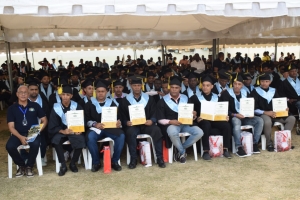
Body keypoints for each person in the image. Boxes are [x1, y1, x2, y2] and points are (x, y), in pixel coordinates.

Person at [119, 75, 166, 169]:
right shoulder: (125, 100)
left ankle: (159, 158)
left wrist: (152, 120)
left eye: (138, 85)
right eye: (134, 85)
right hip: (133, 125)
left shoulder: (149, 98)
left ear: (141, 86)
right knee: (130, 132)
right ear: (131, 86)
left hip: (146, 125)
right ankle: (133, 159)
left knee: (156, 130)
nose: (136, 87)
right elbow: (122, 115)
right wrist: (126, 122)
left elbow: (154, 112)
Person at [156, 76, 203, 163]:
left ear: (180, 88)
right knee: (172, 132)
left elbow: (191, 115)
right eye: (172, 87)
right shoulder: (162, 101)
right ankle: (182, 152)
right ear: (170, 88)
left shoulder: (185, 98)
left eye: (176, 88)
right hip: (172, 125)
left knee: (199, 132)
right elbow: (159, 119)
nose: (174, 90)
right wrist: (170, 121)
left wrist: (194, 115)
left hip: (185, 124)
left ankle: (180, 149)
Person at [6, 85, 48, 177]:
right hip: (18, 133)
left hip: (32, 132)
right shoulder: (11, 109)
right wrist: (20, 137)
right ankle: (21, 165)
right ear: (17, 94)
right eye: (21, 92)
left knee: (36, 144)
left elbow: (44, 120)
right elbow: (11, 127)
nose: (23, 94)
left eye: (25, 92)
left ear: (28, 94)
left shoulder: (35, 105)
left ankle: (29, 166)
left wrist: (37, 130)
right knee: (9, 146)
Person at [187, 74, 231, 160]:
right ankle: (206, 151)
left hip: (215, 120)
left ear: (212, 86)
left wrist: (225, 116)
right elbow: (191, 112)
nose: (205, 87)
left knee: (226, 125)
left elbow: (222, 110)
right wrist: (196, 116)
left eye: (207, 86)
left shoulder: (217, 97)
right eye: (203, 85)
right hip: (202, 120)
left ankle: (225, 149)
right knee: (206, 124)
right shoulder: (195, 98)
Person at [84, 80, 125, 172]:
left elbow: (119, 118)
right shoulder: (89, 104)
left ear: (106, 92)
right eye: (98, 91)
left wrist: (119, 123)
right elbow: (86, 120)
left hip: (110, 128)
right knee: (90, 137)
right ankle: (96, 162)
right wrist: (95, 124)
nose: (100, 93)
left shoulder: (112, 103)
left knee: (121, 136)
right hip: (96, 129)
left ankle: (114, 161)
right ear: (95, 92)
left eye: (103, 91)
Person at [219, 74, 263, 157]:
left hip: (245, 118)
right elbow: (223, 109)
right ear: (232, 84)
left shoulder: (246, 93)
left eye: (239, 84)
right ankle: (238, 147)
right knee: (236, 121)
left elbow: (251, 105)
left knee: (259, 120)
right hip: (233, 118)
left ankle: (254, 143)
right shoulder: (226, 94)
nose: (236, 86)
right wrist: (235, 114)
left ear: (242, 85)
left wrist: (251, 113)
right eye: (235, 84)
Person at [250, 73, 295, 151]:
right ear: (260, 82)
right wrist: (266, 112)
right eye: (262, 81)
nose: (264, 83)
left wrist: (284, 108)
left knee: (291, 119)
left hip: (275, 114)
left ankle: (282, 141)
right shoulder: (255, 91)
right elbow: (253, 109)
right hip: (262, 114)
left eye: (267, 81)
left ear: (270, 82)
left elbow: (279, 102)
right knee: (267, 121)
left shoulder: (273, 90)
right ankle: (269, 143)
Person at [48, 84, 86, 176]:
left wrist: (79, 129)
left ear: (71, 96)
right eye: (63, 94)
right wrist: (63, 131)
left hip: (73, 131)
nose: (65, 97)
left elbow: (82, 120)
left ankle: (73, 163)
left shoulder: (76, 106)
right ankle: (63, 165)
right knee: (56, 140)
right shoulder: (55, 107)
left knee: (81, 139)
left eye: (68, 95)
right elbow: (52, 125)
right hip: (61, 131)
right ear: (60, 95)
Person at [26, 78, 50, 166]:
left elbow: (47, 117)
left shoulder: (43, 102)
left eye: (36, 89)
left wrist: (38, 129)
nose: (34, 91)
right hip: (25, 128)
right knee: (19, 142)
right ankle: (26, 158)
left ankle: (41, 157)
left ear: (38, 91)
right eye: (31, 89)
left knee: (42, 141)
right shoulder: (24, 102)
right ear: (28, 90)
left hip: (39, 127)